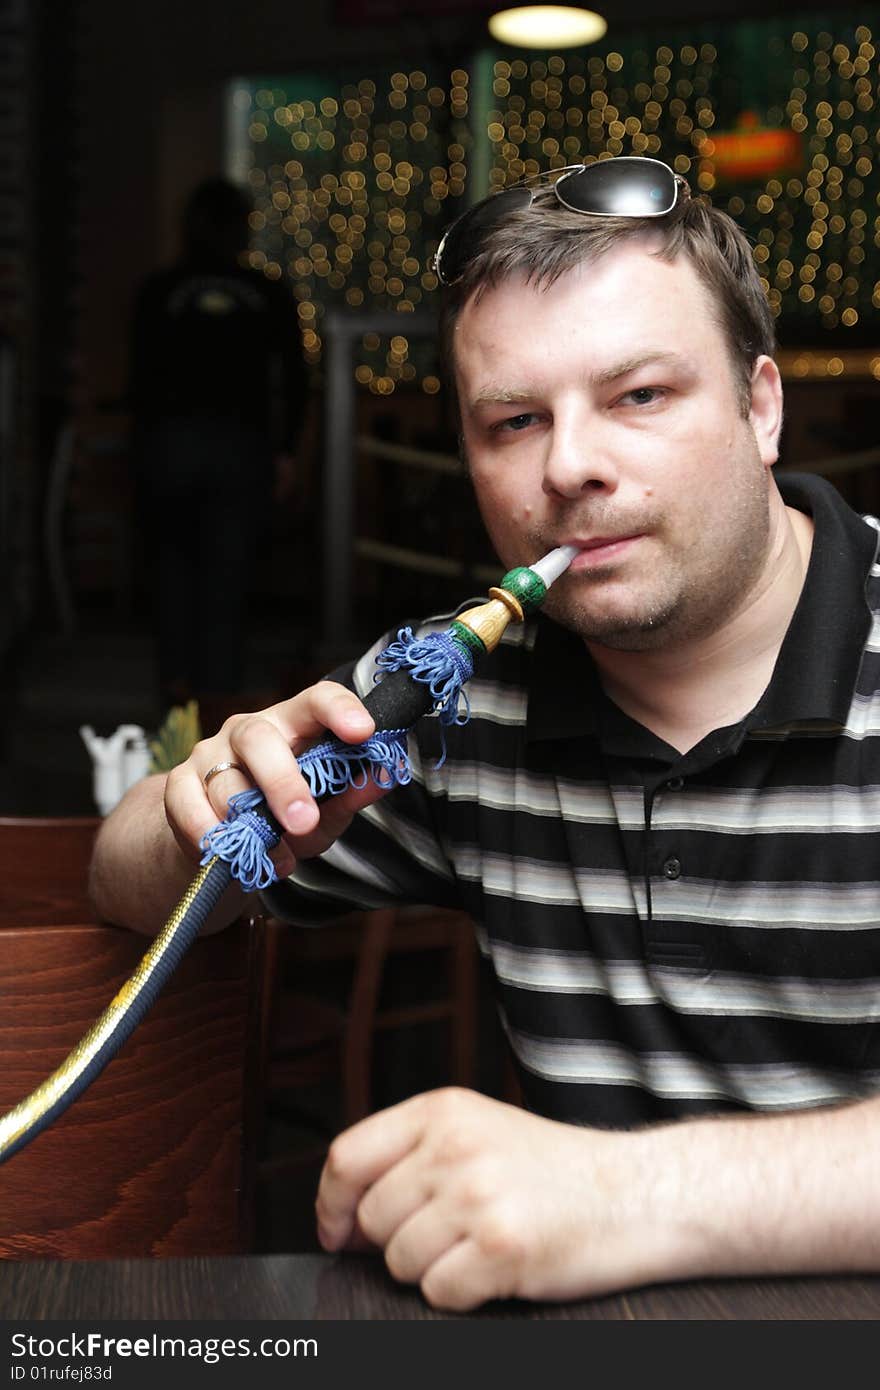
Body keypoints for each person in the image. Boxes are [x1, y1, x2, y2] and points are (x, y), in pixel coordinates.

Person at [92, 156, 880, 1311]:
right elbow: (114, 877)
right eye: (514, 420)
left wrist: (616, 1195)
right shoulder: (450, 686)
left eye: (639, 397)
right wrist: (204, 806)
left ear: (761, 406)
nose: (567, 466)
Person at [129, 177, 310, 711]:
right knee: (228, 578)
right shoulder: (270, 292)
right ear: (241, 228)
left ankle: (174, 699)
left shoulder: (157, 290)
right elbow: (294, 380)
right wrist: (286, 450)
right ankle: (215, 707)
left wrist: (142, 449)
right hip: (241, 447)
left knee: (170, 571)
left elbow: (139, 380)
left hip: (171, 444)